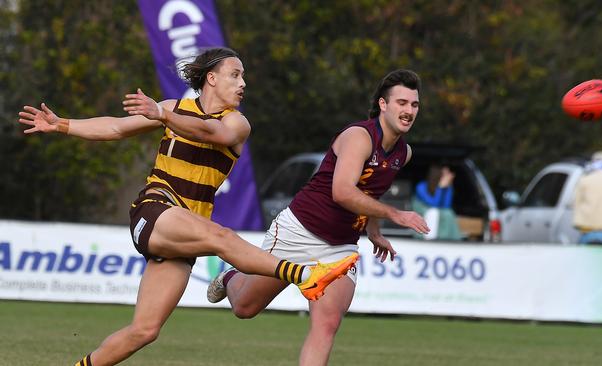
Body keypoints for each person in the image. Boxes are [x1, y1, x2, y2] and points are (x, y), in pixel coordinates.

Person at [17, 47, 358, 366]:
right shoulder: (172, 109)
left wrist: (163, 114)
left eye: (243, 78)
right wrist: (62, 124)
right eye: (235, 75)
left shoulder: (236, 123)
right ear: (211, 78)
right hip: (155, 208)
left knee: (145, 331)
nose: (243, 84)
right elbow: (117, 127)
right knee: (220, 237)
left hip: (186, 229)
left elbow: (213, 134)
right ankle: (305, 275)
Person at [206, 69, 429, 366]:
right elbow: (343, 192)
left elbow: (373, 189)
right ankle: (233, 276)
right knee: (245, 308)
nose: (409, 110)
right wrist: (395, 215)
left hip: (340, 248)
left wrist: (374, 231)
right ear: (383, 105)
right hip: (298, 231)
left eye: (414, 105)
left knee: (326, 326)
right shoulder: (359, 136)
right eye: (402, 102)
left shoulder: (404, 152)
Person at [411, 164, 462, 240]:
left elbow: (446, 206)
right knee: (434, 212)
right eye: (446, 174)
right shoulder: (421, 186)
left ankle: (447, 239)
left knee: (448, 213)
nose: (449, 176)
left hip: (437, 213)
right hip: (424, 213)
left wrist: (447, 188)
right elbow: (433, 204)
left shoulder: (447, 188)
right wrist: (440, 188)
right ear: (438, 175)